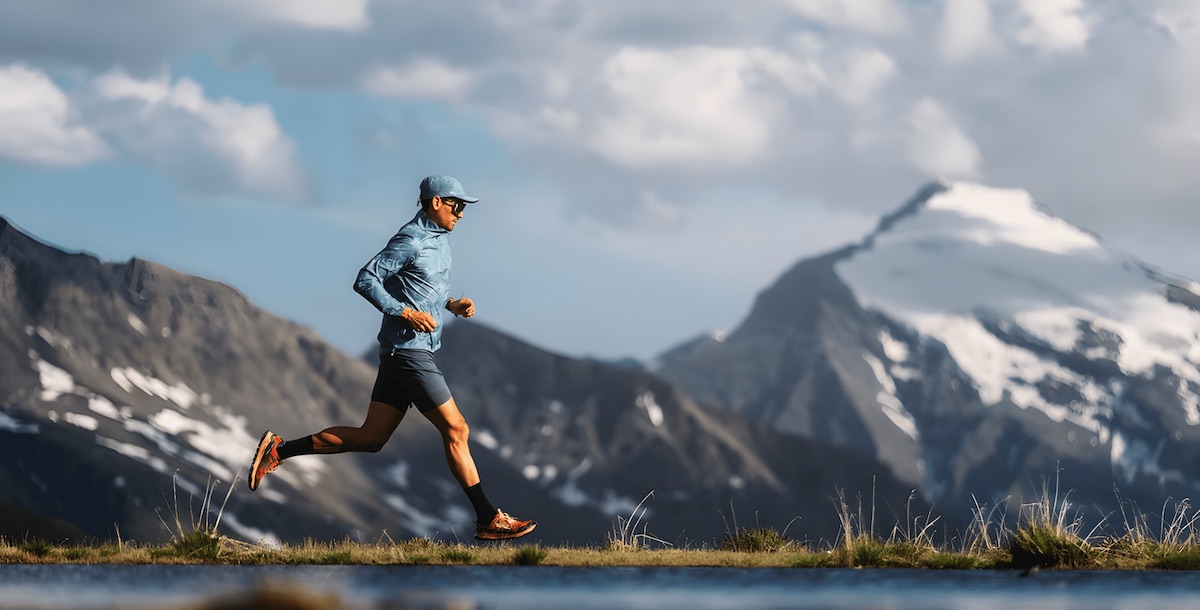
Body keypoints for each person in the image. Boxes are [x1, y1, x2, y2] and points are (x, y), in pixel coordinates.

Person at [246, 175, 536, 541]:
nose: (461, 214)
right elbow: (366, 279)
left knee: (371, 438)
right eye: (457, 205)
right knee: (457, 428)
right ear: (435, 202)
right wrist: (404, 313)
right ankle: (488, 518)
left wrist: (452, 304)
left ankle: (280, 449)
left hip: (406, 352)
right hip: (408, 352)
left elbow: (419, 287)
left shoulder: (440, 242)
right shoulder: (410, 239)